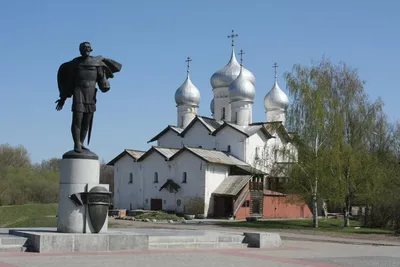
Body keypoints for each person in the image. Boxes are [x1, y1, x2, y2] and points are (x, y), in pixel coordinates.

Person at [55, 42, 121, 153]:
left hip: (91, 94)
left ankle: (81, 142)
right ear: (80, 50)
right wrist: (63, 98)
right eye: (83, 48)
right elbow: (69, 82)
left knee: (87, 121)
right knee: (78, 119)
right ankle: (76, 143)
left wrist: (105, 84)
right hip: (78, 92)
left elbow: (101, 81)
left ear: (91, 49)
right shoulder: (75, 64)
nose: (86, 49)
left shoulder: (97, 63)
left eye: (88, 48)